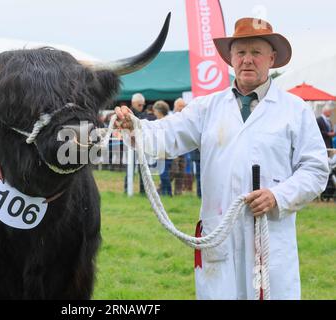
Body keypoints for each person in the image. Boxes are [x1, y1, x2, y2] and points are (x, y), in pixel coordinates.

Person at [114, 17, 329, 300]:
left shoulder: (294, 110)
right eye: (241, 53)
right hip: (219, 235)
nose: (247, 60)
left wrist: (278, 196)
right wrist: (136, 128)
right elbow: (168, 134)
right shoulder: (207, 107)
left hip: (270, 236)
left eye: (256, 52)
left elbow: (315, 169)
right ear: (230, 58)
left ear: (271, 58)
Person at [124, 93, 147, 195]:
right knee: (130, 169)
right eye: (139, 105)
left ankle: (143, 191)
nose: (141, 107)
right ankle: (127, 189)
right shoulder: (126, 115)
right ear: (133, 103)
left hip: (142, 145)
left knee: (143, 169)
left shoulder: (143, 114)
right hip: (130, 146)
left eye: (143, 105)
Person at [153, 100, 172, 196]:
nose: (154, 112)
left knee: (164, 175)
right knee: (162, 174)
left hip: (165, 152)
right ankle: (165, 192)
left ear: (159, 111)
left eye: (155, 110)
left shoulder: (166, 122)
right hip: (160, 152)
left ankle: (168, 193)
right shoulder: (158, 122)